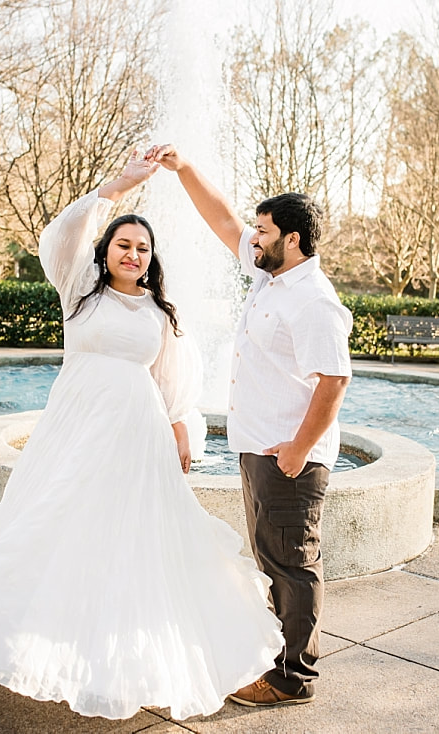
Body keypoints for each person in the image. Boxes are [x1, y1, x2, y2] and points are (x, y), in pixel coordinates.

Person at [0, 151, 283, 721]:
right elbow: (64, 233)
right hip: (77, 424)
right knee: (55, 516)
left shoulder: (160, 313)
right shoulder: (80, 289)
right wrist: (120, 187)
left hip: (137, 432)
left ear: (151, 259)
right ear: (105, 251)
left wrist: (179, 430)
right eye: (123, 244)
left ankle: (121, 648)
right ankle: (33, 627)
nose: (133, 253)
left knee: (132, 533)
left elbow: (170, 379)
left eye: (143, 248)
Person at [146, 143, 353, 708]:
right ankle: (274, 659)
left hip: (288, 456)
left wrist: (298, 450)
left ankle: (292, 680)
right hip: (259, 448)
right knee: (273, 558)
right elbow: (221, 219)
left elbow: (334, 382)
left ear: (292, 239)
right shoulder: (271, 277)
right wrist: (184, 167)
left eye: (263, 231)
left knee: (292, 563)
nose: (252, 237)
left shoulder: (313, 300)